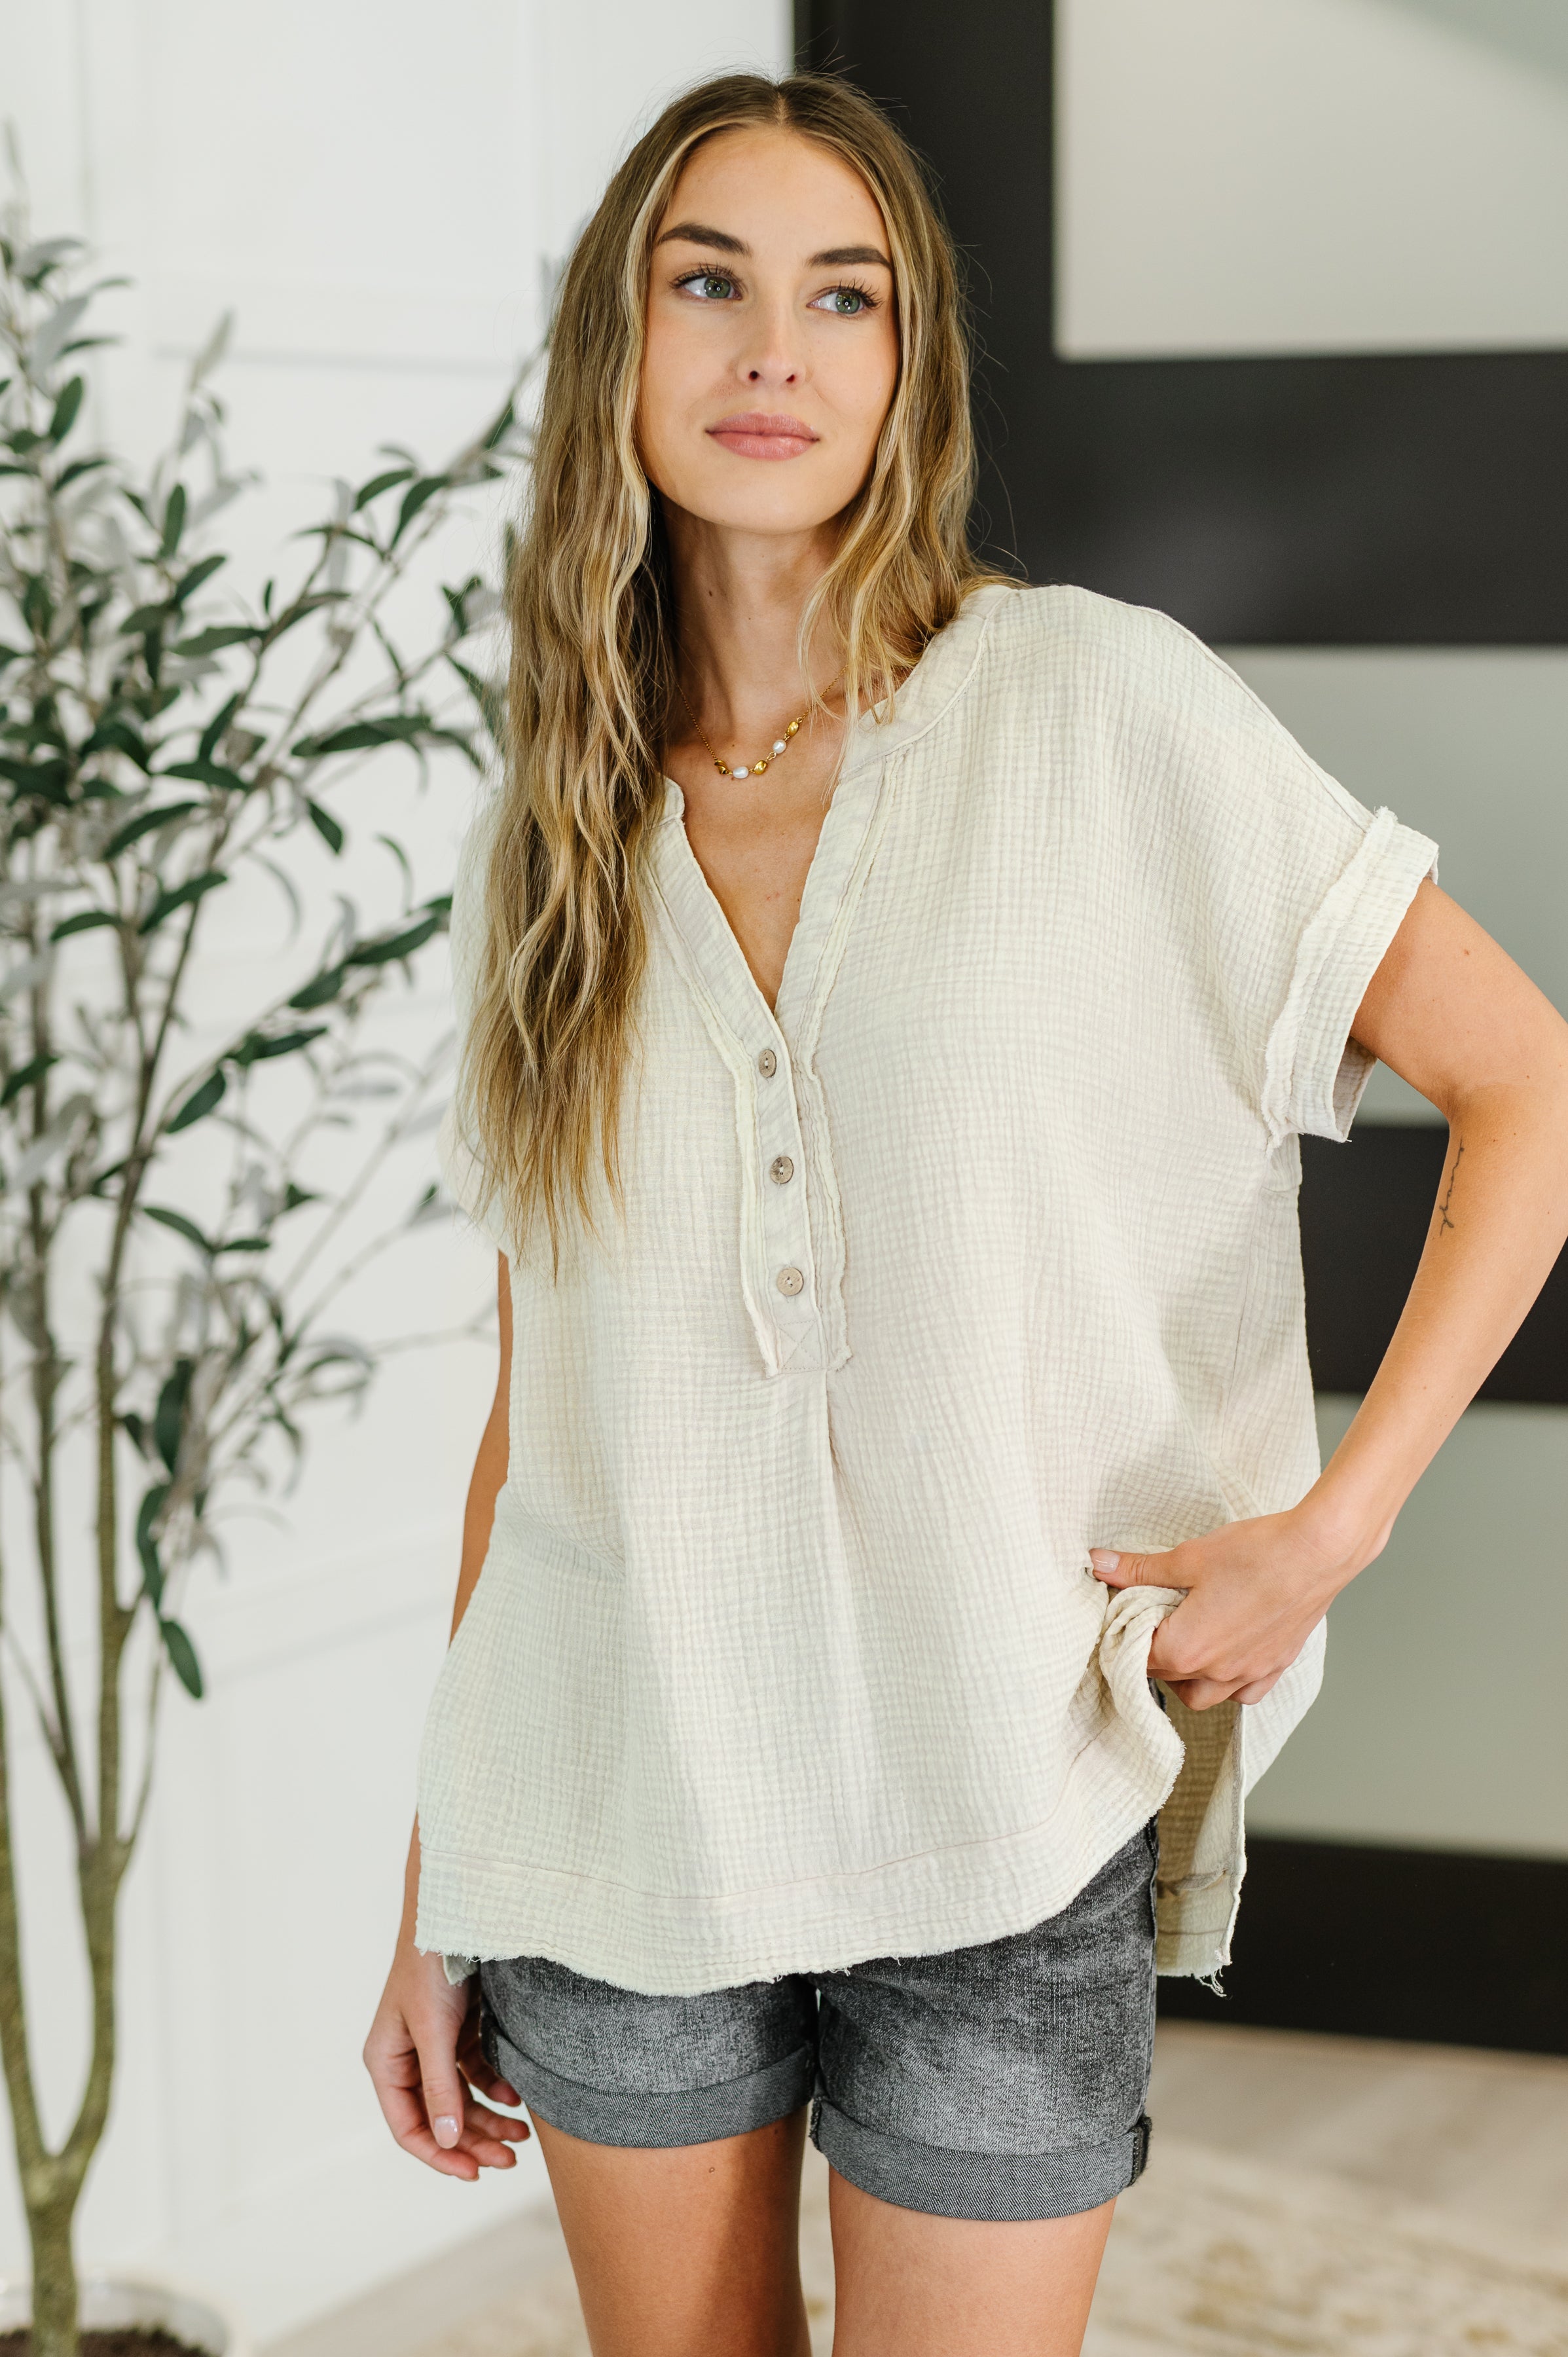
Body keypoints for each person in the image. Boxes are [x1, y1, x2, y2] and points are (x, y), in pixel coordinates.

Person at [363, 70, 1568, 2357]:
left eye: (847, 297)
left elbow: (1527, 1082)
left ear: (906, 369)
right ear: (617, 344)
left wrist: (1333, 1525)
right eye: (704, 281)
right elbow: (542, 1429)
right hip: (614, 1803)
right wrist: (444, 1886)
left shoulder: (1092, 705)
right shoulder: (555, 838)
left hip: (1003, 1808)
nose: (771, 353)